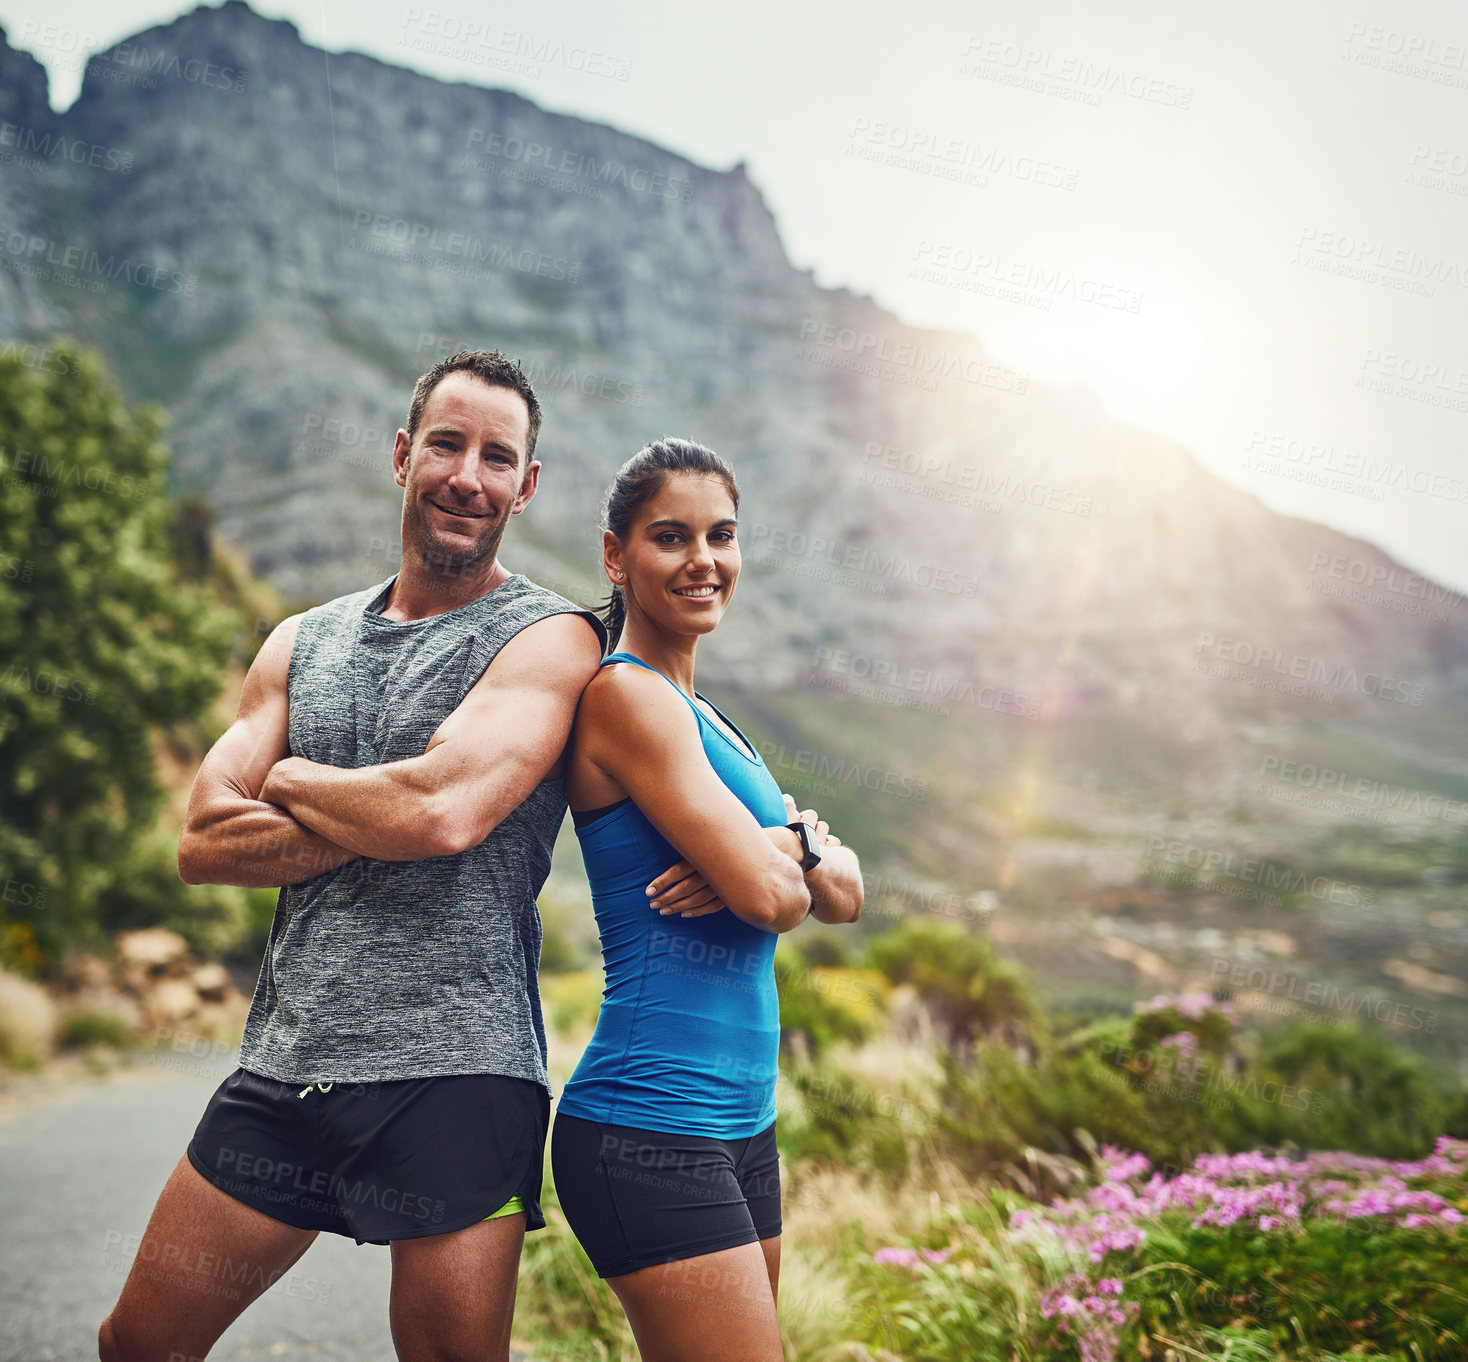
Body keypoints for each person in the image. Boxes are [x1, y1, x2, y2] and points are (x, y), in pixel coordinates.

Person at [99, 350, 612, 1362]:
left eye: (497, 456)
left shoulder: (553, 636)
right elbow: (203, 841)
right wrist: (381, 799)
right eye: (447, 444)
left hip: (459, 1075)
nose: (468, 474)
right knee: (136, 1345)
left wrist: (290, 779)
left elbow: (443, 816)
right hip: (287, 1066)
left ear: (527, 484)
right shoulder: (301, 640)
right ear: (401, 455)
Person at [550, 438, 864, 1362]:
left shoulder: (718, 723)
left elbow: (844, 892)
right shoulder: (628, 698)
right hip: (648, 1123)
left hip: (743, 1128)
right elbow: (779, 904)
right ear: (616, 557)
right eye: (671, 537)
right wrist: (783, 858)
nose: (704, 560)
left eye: (722, 535)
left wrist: (786, 844)